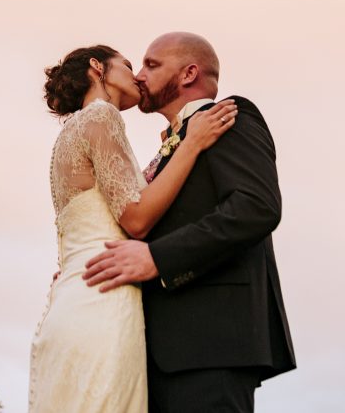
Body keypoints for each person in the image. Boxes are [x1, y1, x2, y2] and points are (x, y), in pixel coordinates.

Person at [82, 32, 296, 412]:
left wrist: (158, 258)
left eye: (152, 64)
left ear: (188, 74)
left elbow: (256, 207)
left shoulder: (229, 115)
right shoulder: (171, 147)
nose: (140, 75)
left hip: (210, 348)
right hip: (155, 352)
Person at [29, 43, 238, 413]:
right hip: (105, 299)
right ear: (97, 67)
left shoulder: (69, 135)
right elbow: (137, 220)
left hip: (74, 297)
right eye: (127, 65)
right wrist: (192, 143)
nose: (138, 75)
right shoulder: (100, 117)